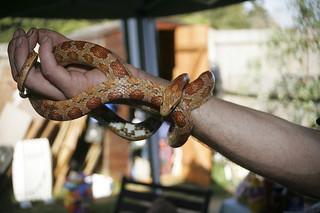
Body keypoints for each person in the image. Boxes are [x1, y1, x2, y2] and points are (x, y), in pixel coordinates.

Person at [8, 28, 320, 198]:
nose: (170, 110)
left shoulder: (183, 99)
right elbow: (312, 156)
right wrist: (131, 79)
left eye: (172, 107)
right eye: (171, 106)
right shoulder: (175, 95)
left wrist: (163, 101)